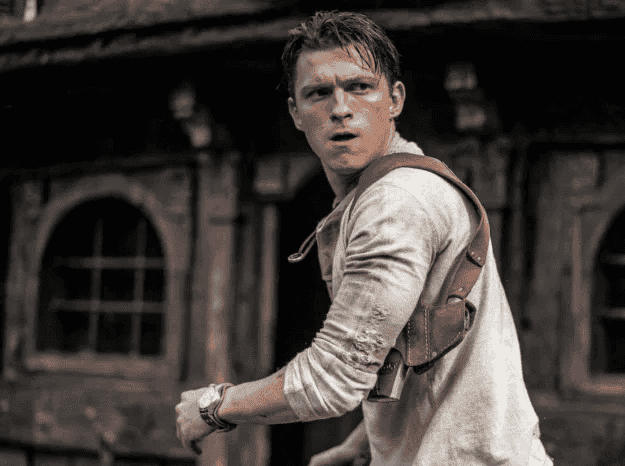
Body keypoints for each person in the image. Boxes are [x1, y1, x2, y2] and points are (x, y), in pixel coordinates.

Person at [176, 10, 553, 466]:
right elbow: (405, 350)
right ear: (296, 113)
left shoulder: (396, 202)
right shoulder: (389, 190)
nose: (340, 108)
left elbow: (333, 375)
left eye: (359, 87)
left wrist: (214, 406)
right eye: (319, 93)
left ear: (394, 99)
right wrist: (360, 446)